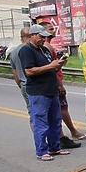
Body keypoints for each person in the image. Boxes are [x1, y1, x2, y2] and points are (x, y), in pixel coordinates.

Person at [18, 24, 68, 161]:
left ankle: (54, 147)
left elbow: (50, 69)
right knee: (41, 122)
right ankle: (41, 150)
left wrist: (57, 66)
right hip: (39, 92)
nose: (43, 39)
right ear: (32, 35)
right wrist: (50, 66)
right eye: (41, 37)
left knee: (55, 120)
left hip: (51, 90)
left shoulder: (44, 50)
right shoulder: (26, 50)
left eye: (44, 37)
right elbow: (29, 71)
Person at [40, 21, 86, 148]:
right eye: (50, 29)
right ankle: (68, 134)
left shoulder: (47, 46)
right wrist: (60, 84)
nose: (53, 30)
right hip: (54, 82)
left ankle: (60, 136)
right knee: (61, 109)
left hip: (53, 82)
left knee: (57, 110)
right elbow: (51, 68)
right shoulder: (47, 47)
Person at [9, 27, 32, 129]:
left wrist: (21, 85)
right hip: (35, 86)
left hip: (24, 85)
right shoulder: (31, 49)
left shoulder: (14, 52)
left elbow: (15, 74)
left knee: (32, 113)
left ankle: (39, 140)